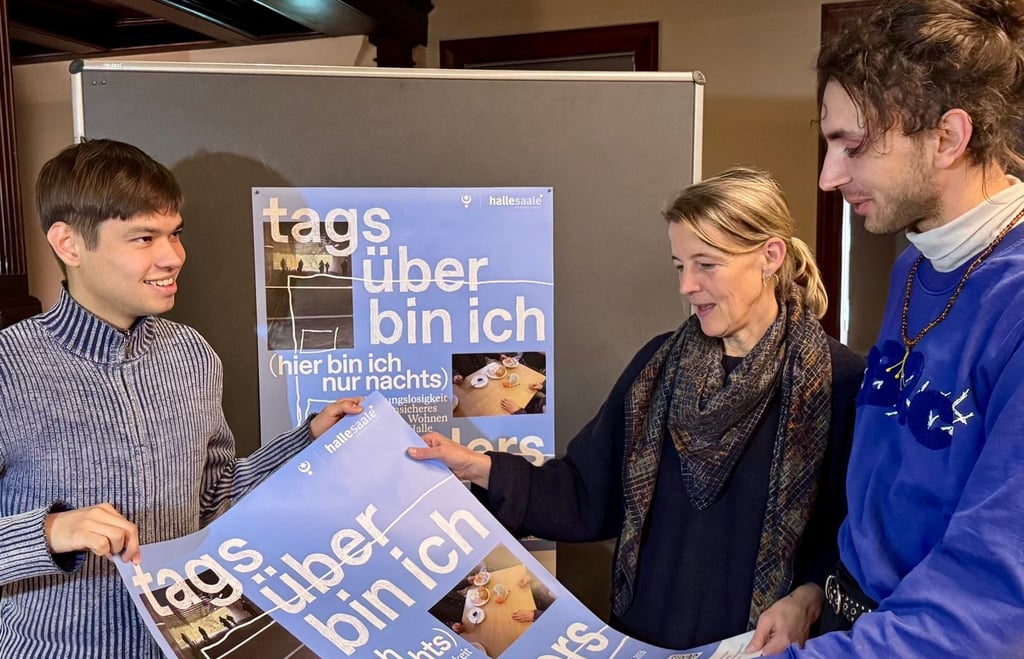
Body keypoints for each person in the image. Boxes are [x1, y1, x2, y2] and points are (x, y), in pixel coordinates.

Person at [410, 167, 865, 652]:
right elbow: (586, 494)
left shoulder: (839, 384)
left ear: (769, 256)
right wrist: (479, 467)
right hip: (641, 641)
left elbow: (856, 534)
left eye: (705, 264)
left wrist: (811, 595)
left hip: (762, 648)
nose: (686, 286)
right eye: (678, 266)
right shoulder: (657, 367)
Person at [0, 139, 362, 657]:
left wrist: (307, 443)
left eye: (174, 234)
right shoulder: (7, 368)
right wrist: (53, 530)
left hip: (195, 645)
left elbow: (214, 499)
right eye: (143, 238)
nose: (173, 257)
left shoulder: (191, 355)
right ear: (68, 244)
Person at [771, 1, 1024, 656]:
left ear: (948, 137)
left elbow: (992, 599)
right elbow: (886, 480)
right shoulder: (918, 259)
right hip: (850, 615)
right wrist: (818, 590)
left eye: (853, 147)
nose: (828, 178)